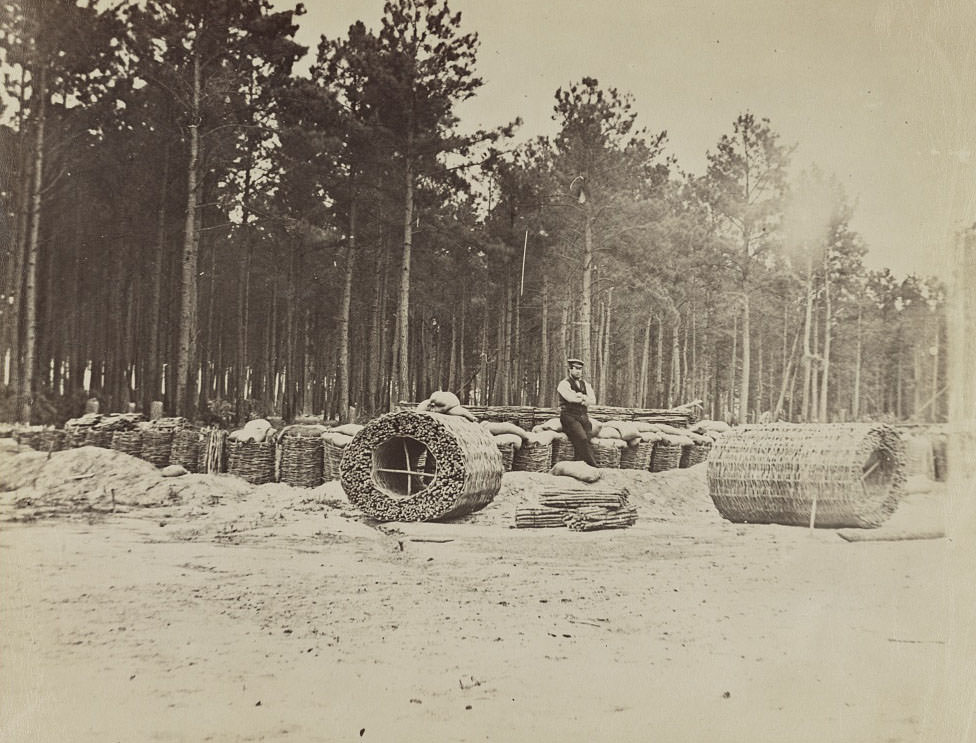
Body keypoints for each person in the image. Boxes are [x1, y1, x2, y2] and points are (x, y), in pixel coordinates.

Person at [557, 357, 597, 467]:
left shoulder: (585, 384)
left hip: (583, 416)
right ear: (570, 369)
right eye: (576, 369)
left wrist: (581, 396)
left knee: (588, 438)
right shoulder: (564, 384)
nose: (578, 371)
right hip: (569, 416)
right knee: (582, 438)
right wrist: (584, 399)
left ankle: (578, 463)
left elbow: (593, 400)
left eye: (580, 369)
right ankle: (593, 465)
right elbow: (571, 399)